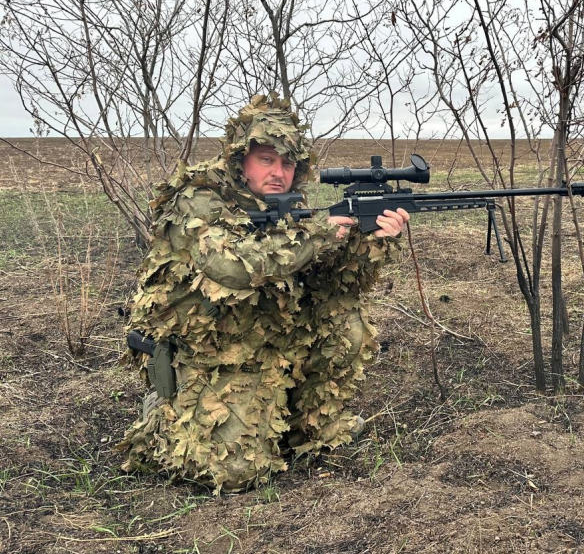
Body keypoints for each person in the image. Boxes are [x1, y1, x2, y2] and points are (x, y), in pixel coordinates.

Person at [117, 93, 409, 492]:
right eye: (266, 159)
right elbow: (232, 267)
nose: (278, 172)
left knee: (347, 320)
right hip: (208, 350)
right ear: (241, 158)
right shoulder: (197, 197)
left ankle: (310, 426)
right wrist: (322, 232)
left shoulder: (285, 205)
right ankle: (163, 416)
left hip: (264, 337)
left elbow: (330, 283)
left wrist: (370, 242)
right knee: (235, 474)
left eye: (287, 163)